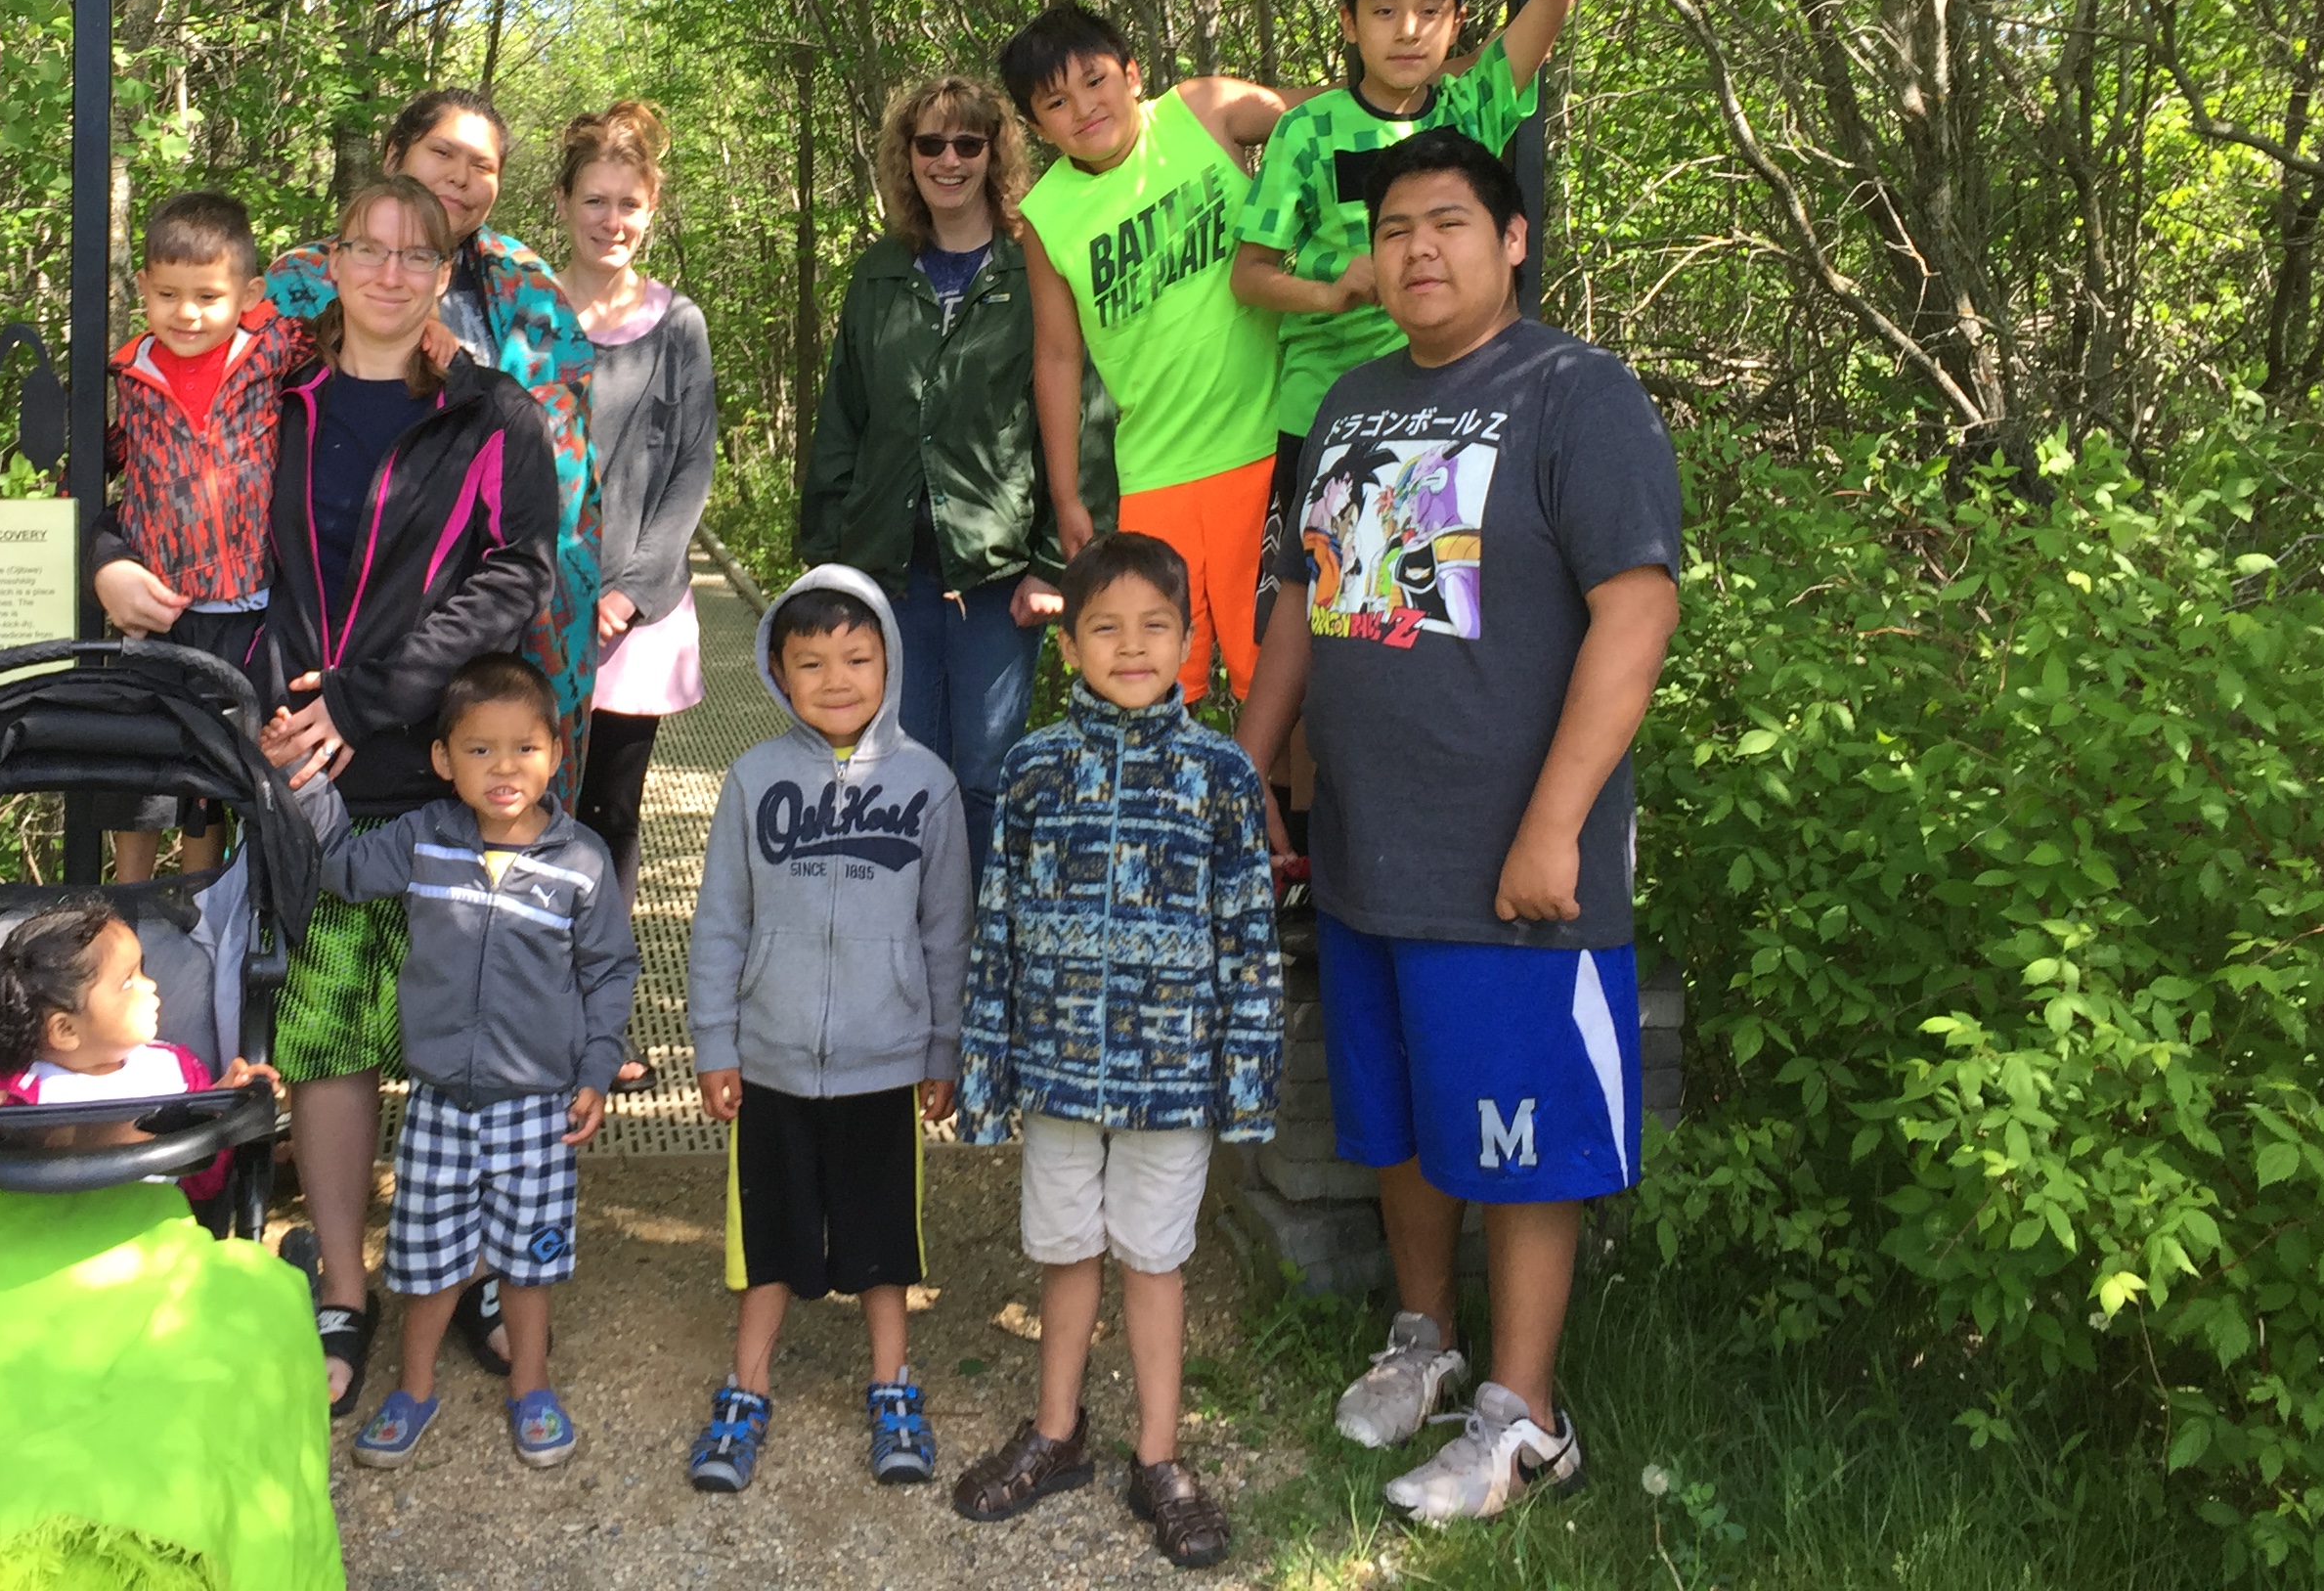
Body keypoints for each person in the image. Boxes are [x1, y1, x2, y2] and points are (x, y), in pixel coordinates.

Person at [1231, 128, 1682, 1525]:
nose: (1416, 249)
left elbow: (1636, 610)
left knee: (1526, 1138)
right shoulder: (1352, 403)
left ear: (1513, 240)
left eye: (1448, 223)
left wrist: (1555, 826)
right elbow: (1303, 602)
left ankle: (1526, 1419)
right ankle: (1425, 1342)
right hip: (1368, 851)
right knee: (1403, 1122)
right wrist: (1243, 770)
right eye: (1394, 231)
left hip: (1514, 867)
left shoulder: (1575, 392)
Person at [254, 175, 560, 1420]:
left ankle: (472, 1270)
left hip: (441, 762)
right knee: (331, 1031)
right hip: (304, 760)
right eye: (367, 249)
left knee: (463, 1030)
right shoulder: (273, 398)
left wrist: (372, 695)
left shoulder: (490, 413)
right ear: (331, 262)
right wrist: (112, 561)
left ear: (445, 272)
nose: (389, 272)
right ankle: (344, 1285)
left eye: (414, 254)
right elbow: (194, 522)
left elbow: (517, 575)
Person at [952, 531, 1282, 1569]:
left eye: (1154, 626)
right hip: (1055, 1070)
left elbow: (1249, 936)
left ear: (1189, 640)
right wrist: (985, 1069)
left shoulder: (1221, 774)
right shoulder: (1033, 771)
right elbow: (997, 928)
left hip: (1172, 1079)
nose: (1131, 647)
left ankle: (1159, 1456)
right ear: (1068, 646)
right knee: (1064, 1250)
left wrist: (1246, 1079)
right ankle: (1057, 1432)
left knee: (1155, 1257)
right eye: (1105, 628)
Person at [680, 567, 969, 1496]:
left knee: (884, 1240)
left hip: (884, 1063)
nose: (836, 680)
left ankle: (892, 1386)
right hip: (770, 1061)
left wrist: (942, 1048)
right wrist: (715, 1042)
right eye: (811, 663)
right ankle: (747, 1388)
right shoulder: (752, 778)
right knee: (767, 1237)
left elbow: (946, 932)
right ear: (777, 673)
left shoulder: (928, 785)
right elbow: (720, 924)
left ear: (891, 661)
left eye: (857, 658)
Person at [315, 653, 637, 1474]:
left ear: (555, 755)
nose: (504, 768)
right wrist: (305, 785)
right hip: (438, 1102)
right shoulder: (425, 839)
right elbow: (343, 871)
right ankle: (413, 1388)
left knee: (529, 1262)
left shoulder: (580, 860)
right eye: (480, 749)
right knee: (428, 1260)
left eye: (524, 748)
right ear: (443, 759)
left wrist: (596, 1069)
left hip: (539, 1104)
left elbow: (609, 971)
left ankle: (531, 1386)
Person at [1231, 0, 1578, 656]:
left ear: (1456, 23)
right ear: (1350, 24)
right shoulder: (1307, 130)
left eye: (1430, 10)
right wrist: (1331, 292)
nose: (1408, 30)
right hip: (1328, 404)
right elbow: (1250, 274)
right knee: (1318, 613)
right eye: (1384, 10)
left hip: (1454, 400)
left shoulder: (1472, 106)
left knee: (1424, 609)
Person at [265, 93, 602, 814]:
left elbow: (565, 461)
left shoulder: (529, 291)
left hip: (502, 613)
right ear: (395, 157)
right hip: (317, 652)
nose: (460, 177)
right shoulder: (304, 284)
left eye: (482, 165)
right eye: (442, 153)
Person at [801, 75, 1070, 887]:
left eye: (967, 143)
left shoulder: (1034, 264)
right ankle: (904, 943)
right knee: (898, 768)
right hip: (888, 572)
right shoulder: (880, 272)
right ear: (907, 156)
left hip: (996, 573)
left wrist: (1054, 562)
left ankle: (981, 946)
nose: (948, 161)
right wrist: (827, 565)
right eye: (930, 144)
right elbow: (842, 419)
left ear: (994, 154)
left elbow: (1073, 416)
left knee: (986, 776)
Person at [1003, 5, 1301, 706]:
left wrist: (1446, 73)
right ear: (1037, 126)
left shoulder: (1202, 111)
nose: (1084, 108)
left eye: (1095, 80)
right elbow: (1057, 356)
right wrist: (1067, 495)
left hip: (1264, 448)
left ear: (1132, 74)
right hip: (1154, 474)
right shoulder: (1046, 216)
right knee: (1155, 682)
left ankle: (1276, 789)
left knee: (1278, 674)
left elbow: (1335, 114)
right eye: (1055, 102)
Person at [556, 98, 718, 1096]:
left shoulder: (677, 325)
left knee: (609, 815)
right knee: (527, 809)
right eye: (595, 200)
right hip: (533, 609)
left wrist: (624, 593)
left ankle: (601, 1023)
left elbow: (690, 467)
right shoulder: (528, 319)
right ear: (563, 203)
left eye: (629, 203)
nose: (611, 220)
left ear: (651, 210)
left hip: (637, 618)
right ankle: (529, 1011)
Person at [89, 190, 298, 881]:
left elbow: (354, 336)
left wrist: (430, 331)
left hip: (245, 606)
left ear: (249, 295)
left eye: (208, 297)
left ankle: (200, 896)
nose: (187, 313)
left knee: (214, 765)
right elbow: (99, 463)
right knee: (138, 755)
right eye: (168, 294)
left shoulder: (273, 351)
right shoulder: (128, 375)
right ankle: (129, 897)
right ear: (143, 286)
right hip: (155, 604)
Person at [0, 894, 283, 1207]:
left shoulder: (178, 1071)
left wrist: (220, 1109)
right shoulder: (6, 1093)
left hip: (148, 1245)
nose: (151, 985)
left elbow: (204, 1187)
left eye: (142, 972)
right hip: (34, 1245)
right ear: (66, 1030)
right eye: (128, 981)